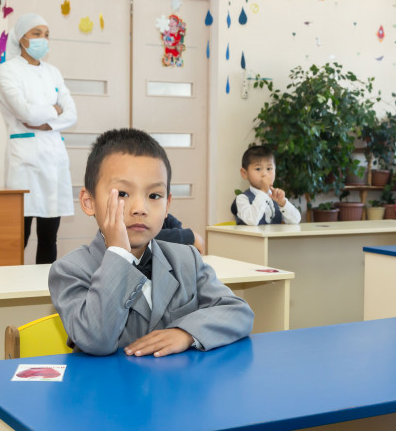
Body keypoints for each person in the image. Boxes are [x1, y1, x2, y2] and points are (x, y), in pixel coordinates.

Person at [48, 128, 254, 357]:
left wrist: (186, 333)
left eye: (154, 196)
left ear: (167, 205)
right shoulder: (70, 270)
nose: (140, 209)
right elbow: (97, 340)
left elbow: (239, 312)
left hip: (175, 380)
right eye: (122, 194)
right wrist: (119, 254)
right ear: (89, 202)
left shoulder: (186, 259)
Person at [0, 13, 77, 264]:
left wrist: (47, 121)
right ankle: (12, 285)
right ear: (22, 38)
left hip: (53, 159)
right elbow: (25, 113)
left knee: (49, 237)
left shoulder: (53, 72)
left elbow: (72, 113)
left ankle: (45, 284)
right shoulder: (8, 71)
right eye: (36, 33)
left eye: (46, 35)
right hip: (25, 161)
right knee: (18, 237)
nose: (43, 39)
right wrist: (55, 110)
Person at [232, 145, 301, 225]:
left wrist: (283, 203)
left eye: (269, 169)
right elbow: (251, 221)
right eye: (258, 169)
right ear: (244, 173)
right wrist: (263, 191)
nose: (265, 174)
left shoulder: (276, 196)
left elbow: (296, 220)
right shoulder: (242, 198)